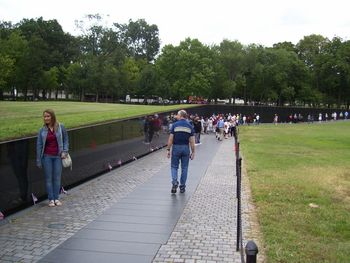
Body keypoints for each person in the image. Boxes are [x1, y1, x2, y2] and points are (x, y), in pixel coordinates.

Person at [36, 109, 69, 207]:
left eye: (48, 116)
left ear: (52, 117)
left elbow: (66, 139)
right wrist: (39, 160)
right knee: (48, 179)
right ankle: (51, 199)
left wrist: (65, 151)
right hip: (47, 157)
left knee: (57, 178)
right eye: (44, 116)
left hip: (58, 156)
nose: (46, 118)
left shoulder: (60, 127)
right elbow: (39, 145)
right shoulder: (42, 130)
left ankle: (56, 198)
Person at [166, 110, 195, 194]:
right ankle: (182, 187)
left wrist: (168, 149)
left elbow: (170, 139)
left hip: (176, 147)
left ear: (181, 115)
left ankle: (175, 182)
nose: (176, 116)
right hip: (186, 148)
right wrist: (193, 152)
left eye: (177, 115)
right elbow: (192, 142)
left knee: (174, 167)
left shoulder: (175, 125)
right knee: (184, 168)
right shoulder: (190, 126)